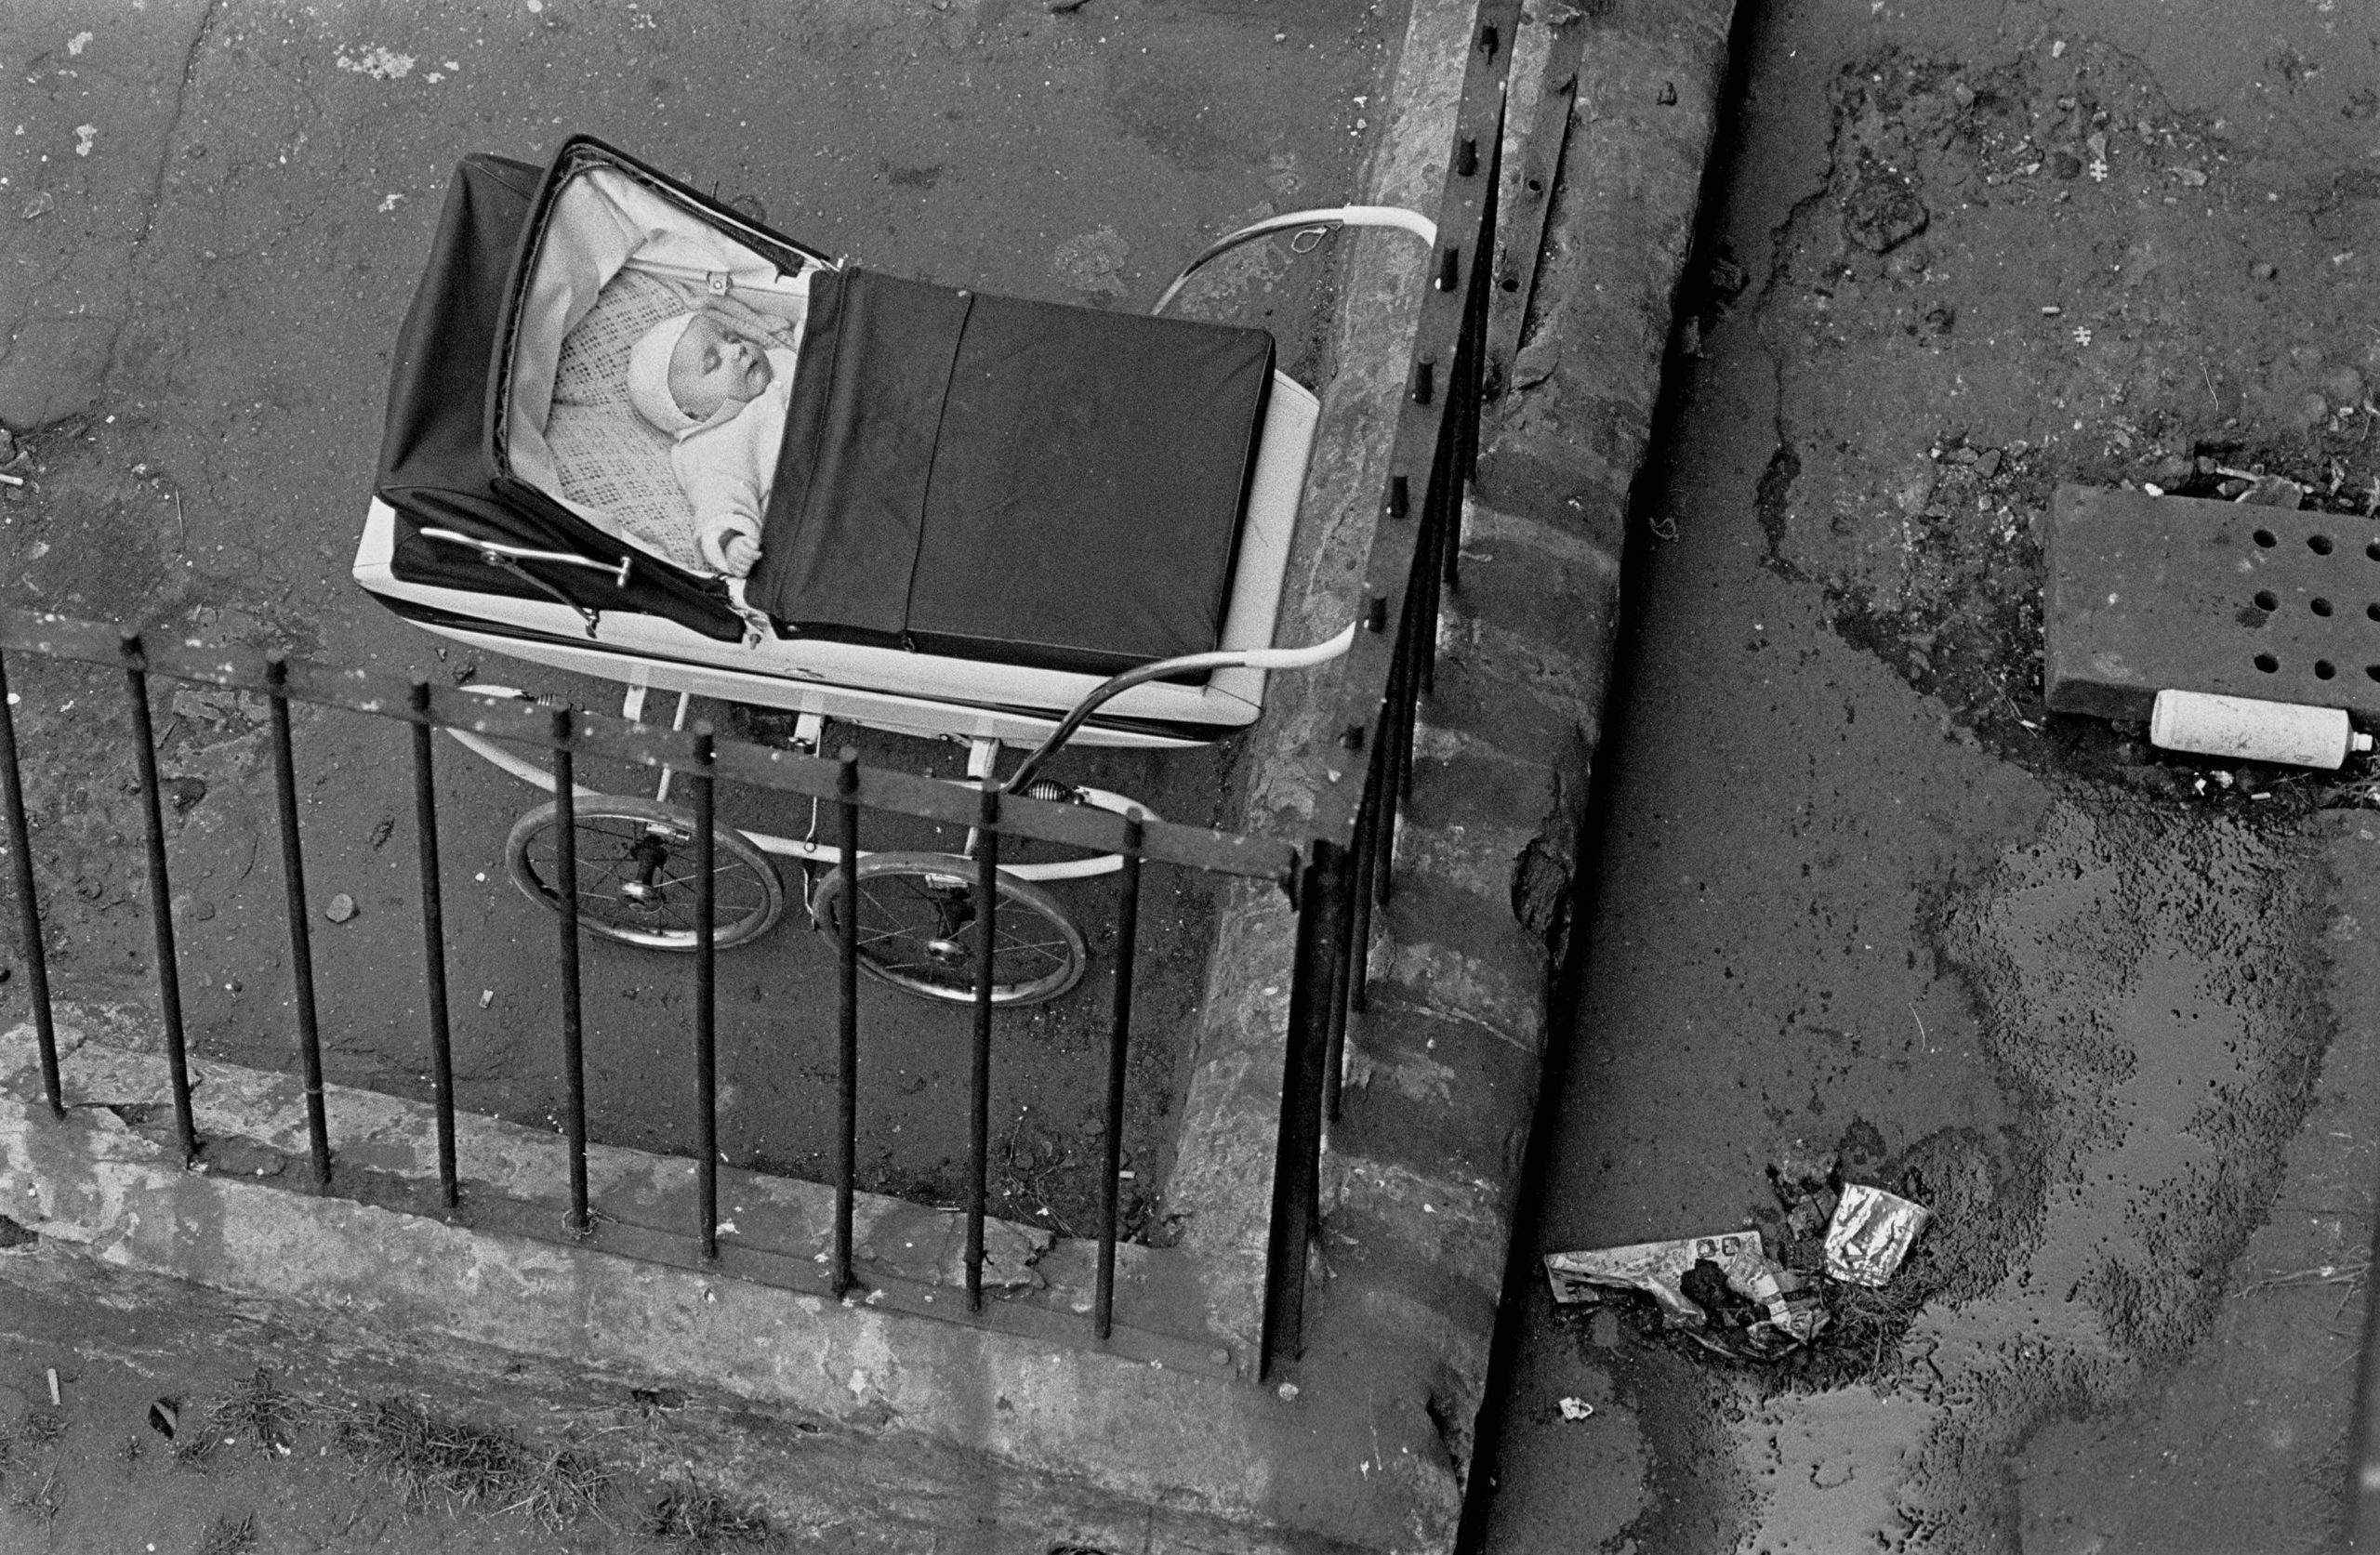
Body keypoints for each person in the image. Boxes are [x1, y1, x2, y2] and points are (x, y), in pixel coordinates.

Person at [624, 310, 798, 577]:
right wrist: (732, 542)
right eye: (714, 363)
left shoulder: (777, 362)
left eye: (732, 337)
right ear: (692, 413)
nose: (736, 350)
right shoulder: (709, 449)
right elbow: (718, 506)